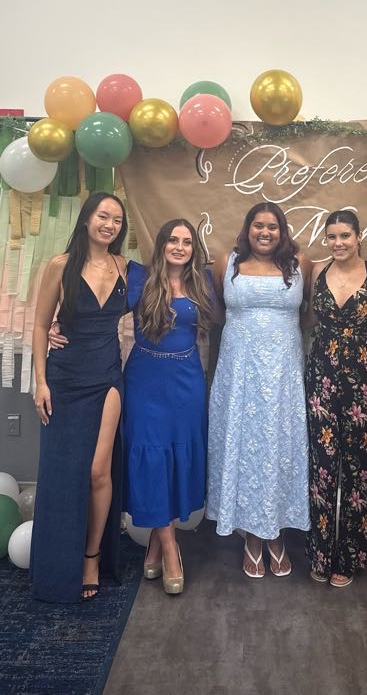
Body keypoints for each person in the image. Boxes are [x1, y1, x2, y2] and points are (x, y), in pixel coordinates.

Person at [206, 201, 311, 578]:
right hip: (240, 372)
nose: (265, 232)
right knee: (245, 446)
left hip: (283, 374)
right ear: (247, 229)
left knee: (279, 447)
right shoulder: (227, 262)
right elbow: (216, 313)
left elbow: (309, 314)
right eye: (258, 225)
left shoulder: (301, 265)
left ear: (282, 232)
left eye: (272, 227)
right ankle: (251, 536)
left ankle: (276, 534)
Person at [31, 192, 128, 602]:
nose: (109, 225)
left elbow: (167, 286)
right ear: (87, 219)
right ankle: (56, 564)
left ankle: (92, 556)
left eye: (117, 220)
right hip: (64, 380)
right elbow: (40, 326)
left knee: (98, 472)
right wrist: (40, 382)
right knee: (62, 475)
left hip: (107, 378)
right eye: (103, 216)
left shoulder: (125, 268)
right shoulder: (60, 265)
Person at [123, 219, 212, 595]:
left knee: (176, 458)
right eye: (172, 240)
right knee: (153, 457)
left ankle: (156, 544)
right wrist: (56, 326)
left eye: (186, 241)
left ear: (194, 249)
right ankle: (171, 548)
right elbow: (95, 306)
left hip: (187, 382)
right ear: (161, 244)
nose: (179, 246)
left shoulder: (203, 281)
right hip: (145, 382)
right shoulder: (138, 278)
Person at [305, 210, 367, 588]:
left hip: (364, 380)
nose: (338, 242)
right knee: (322, 466)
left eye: (345, 235)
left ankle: (350, 556)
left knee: (360, 467)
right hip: (321, 377)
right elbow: (306, 321)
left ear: (359, 236)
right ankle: (321, 553)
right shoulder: (315, 271)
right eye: (332, 236)